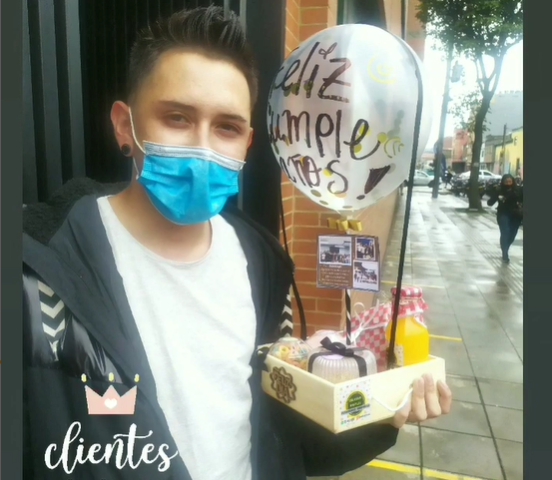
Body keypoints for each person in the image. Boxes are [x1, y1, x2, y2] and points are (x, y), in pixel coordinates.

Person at [22, 7, 451, 480]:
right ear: (126, 126)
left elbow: (281, 436)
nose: (202, 148)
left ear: (247, 143)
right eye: (177, 118)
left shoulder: (263, 266)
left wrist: (379, 410)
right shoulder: (36, 273)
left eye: (226, 127)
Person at [487, 174, 523, 263]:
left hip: (516, 215)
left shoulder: (518, 190)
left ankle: (506, 247)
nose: (508, 184)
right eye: (506, 182)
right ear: (503, 182)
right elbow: (490, 202)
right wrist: (495, 196)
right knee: (505, 232)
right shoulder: (499, 190)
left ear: (513, 182)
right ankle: (505, 253)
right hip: (503, 214)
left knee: (512, 235)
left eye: (510, 182)